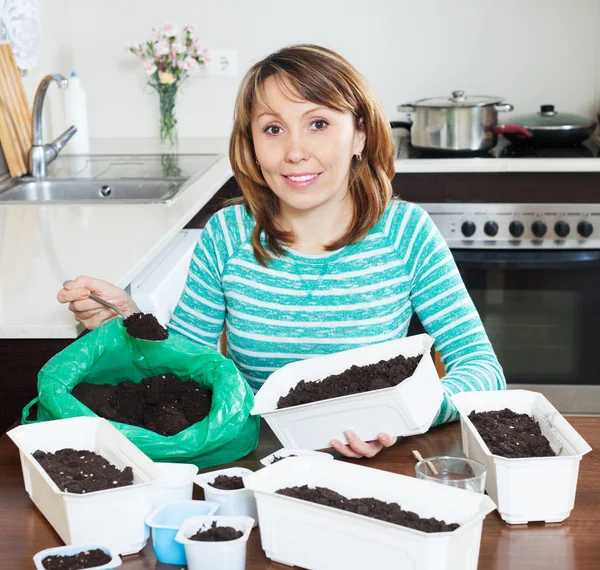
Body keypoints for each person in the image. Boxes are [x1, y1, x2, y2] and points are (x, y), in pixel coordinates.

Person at [57, 44, 505, 459]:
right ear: (252, 145)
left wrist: (403, 415)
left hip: (379, 461)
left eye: (319, 124)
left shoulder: (405, 233)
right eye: (273, 129)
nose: (294, 151)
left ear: (360, 136)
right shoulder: (227, 234)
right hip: (259, 456)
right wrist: (131, 324)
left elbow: (482, 369)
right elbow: (188, 374)